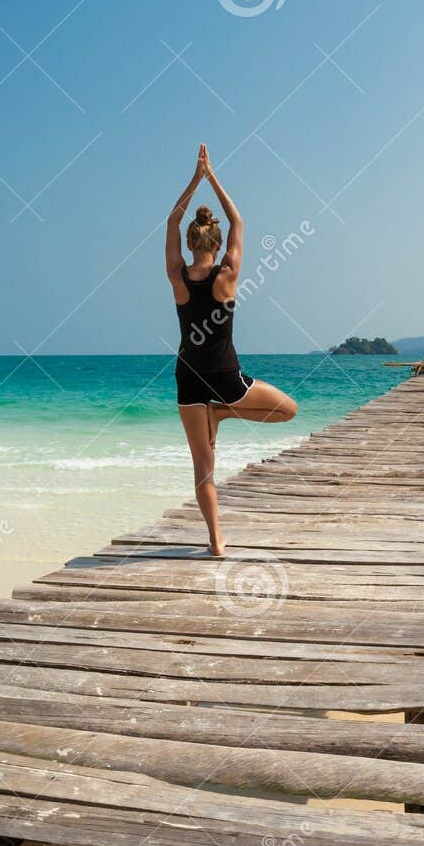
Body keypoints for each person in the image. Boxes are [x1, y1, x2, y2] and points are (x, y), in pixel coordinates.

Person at [166, 143, 298, 556]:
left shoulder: (178, 277)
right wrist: (212, 177)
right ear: (218, 242)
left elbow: (172, 218)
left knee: (203, 468)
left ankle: (215, 541)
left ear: (190, 244)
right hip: (227, 376)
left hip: (189, 376)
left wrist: (193, 179)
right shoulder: (229, 273)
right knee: (288, 410)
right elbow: (239, 219)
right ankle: (224, 410)